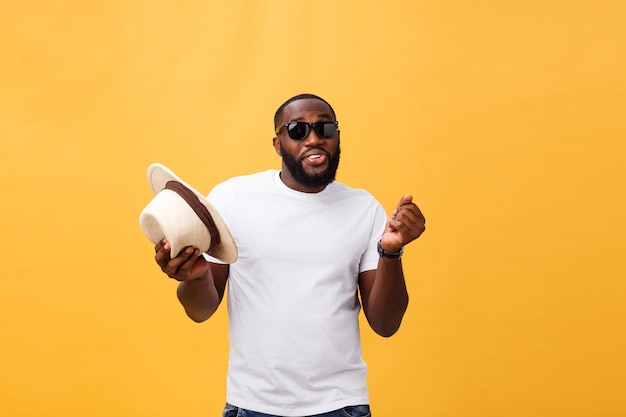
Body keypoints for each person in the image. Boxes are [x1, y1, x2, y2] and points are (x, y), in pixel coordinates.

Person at [152, 94, 426, 417]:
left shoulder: (363, 209)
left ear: (337, 137)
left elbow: (385, 323)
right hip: (253, 404)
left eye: (325, 128)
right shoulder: (232, 199)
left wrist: (391, 252)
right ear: (278, 143)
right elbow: (200, 310)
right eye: (297, 130)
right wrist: (194, 276)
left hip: (341, 404)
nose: (314, 139)